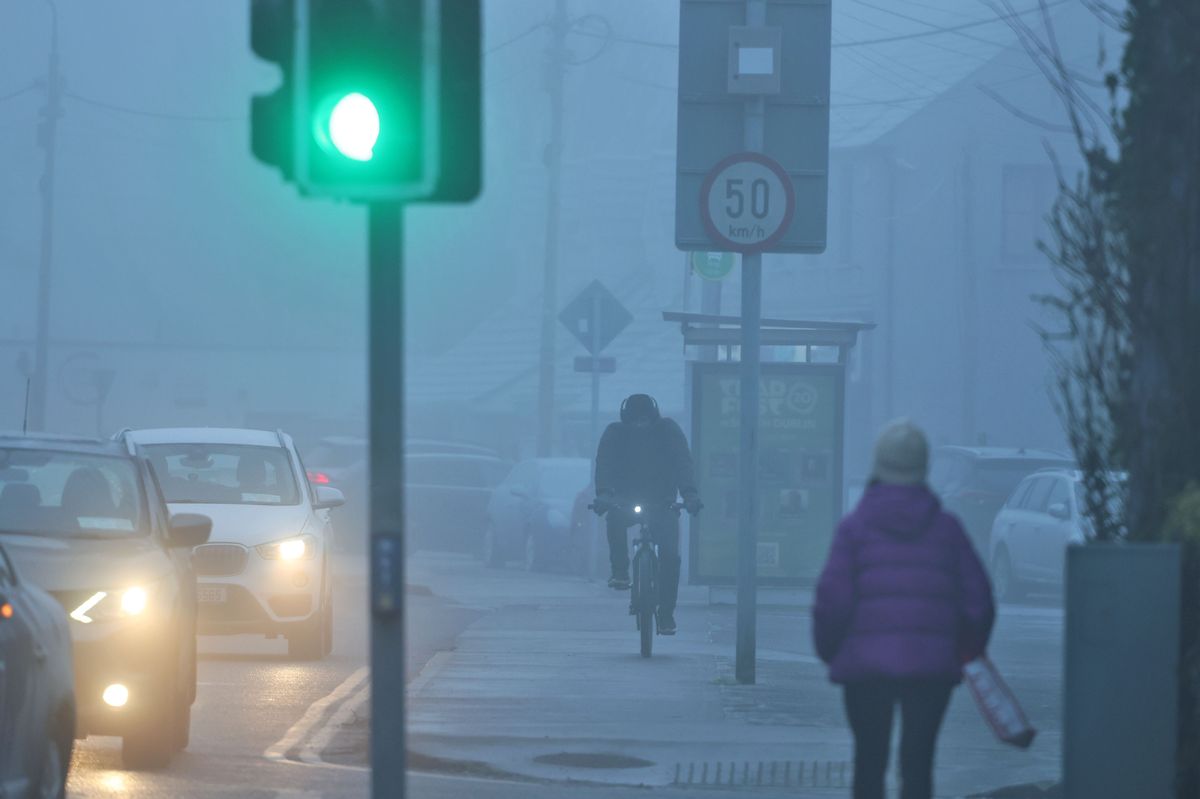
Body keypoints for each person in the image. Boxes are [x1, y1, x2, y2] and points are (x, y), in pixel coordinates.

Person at [813, 419, 995, 799]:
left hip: (865, 670)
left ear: (877, 464)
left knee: (869, 763)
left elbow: (832, 602)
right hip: (931, 669)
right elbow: (978, 603)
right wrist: (962, 650)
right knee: (918, 764)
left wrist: (833, 653)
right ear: (925, 467)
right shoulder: (948, 530)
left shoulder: (854, 529)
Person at [593, 393, 701, 635]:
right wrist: (604, 494)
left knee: (671, 558)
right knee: (615, 519)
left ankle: (665, 616)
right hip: (624, 500)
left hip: (663, 503)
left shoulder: (668, 430)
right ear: (626, 420)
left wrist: (690, 494)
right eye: (635, 421)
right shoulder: (615, 433)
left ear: (654, 418)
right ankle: (620, 571)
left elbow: (683, 462)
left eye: (645, 421)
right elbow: (605, 464)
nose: (640, 425)